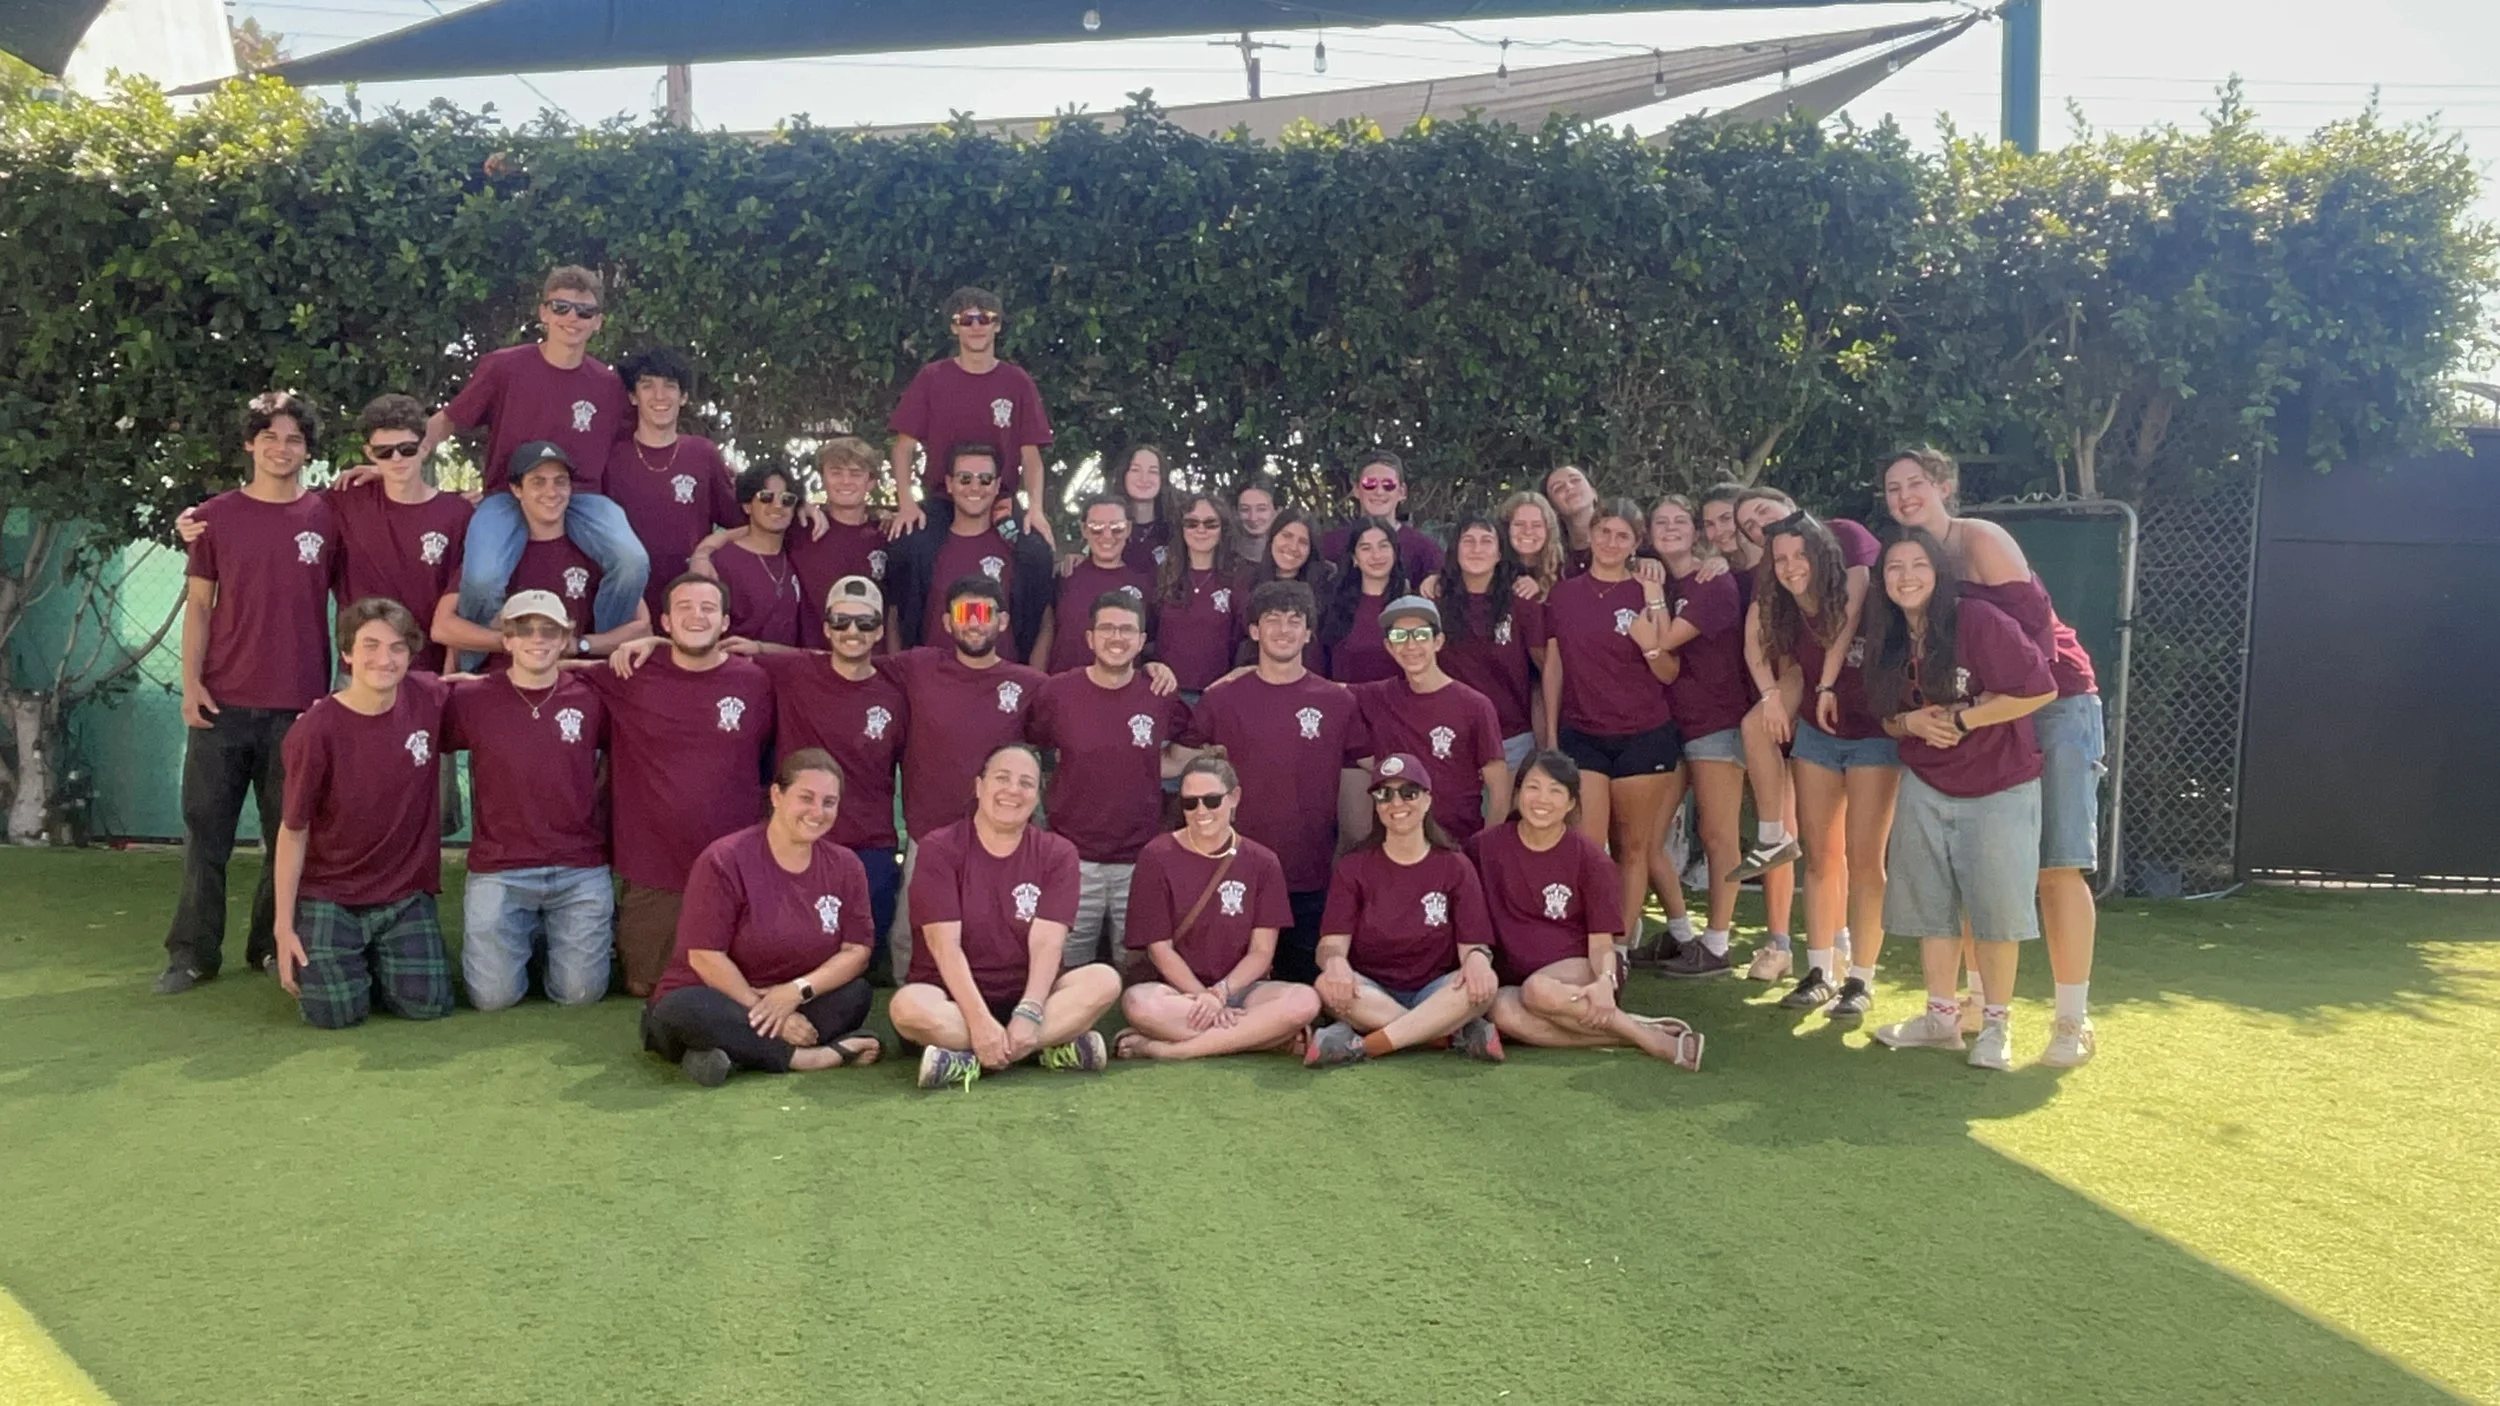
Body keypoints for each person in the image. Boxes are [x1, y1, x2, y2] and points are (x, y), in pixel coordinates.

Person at [1883, 446, 2105, 1067]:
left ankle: (2071, 1022)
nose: (1904, 496)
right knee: (1976, 864)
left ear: (1944, 485)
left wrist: (1978, 709)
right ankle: (1976, 1009)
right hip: (1982, 710)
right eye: (1893, 488)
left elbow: (2037, 645)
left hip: (2055, 701)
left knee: (2057, 865)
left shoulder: (1980, 541)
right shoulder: (1911, 561)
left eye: (1916, 483)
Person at [157, 392, 339, 996]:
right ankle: (191, 955)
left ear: (308, 450)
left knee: (286, 833)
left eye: (294, 439)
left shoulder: (327, 516)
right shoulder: (215, 517)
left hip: (300, 707)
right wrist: (191, 684)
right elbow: (199, 607)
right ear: (249, 444)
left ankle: (267, 944)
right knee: (205, 835)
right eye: (270, 438)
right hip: (222, 704)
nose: (281, 449)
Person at [1862, 529, 2056, 1071]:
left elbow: (2040, 688)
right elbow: (1884, 714)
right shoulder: (1886, 634)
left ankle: (1996, 1025)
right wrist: (1911, 723)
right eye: (1894, 567)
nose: (1906, 577)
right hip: (1927, 781)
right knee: (1932, 907)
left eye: (1918, 565)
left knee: (1996, 910)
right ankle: (1941, 1019)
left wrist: (1966, 718)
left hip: (2000, 781)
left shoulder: (1977, 619)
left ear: (1940, 572)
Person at [639, 748, 884, 1086]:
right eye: (806, 798)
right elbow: (705, 957)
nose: (817, 812)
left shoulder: (846, 866)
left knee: (855, 994)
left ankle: (726, 1054)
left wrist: (794, 992)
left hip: (795, 999)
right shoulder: (724, 860)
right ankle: (810, 1058)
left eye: (829, 802)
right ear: (776, 796)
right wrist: (768, 1011)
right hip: (719, 996)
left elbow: (856, 952)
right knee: (682, 1008)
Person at [430, 265, 650, 637]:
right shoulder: (504, 367)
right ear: (543, 312)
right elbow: (449, 420)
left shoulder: (608, 385)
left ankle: (603, 649)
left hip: (581, 496)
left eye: (585, 311)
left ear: (598, 322)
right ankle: (473, 662)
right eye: (561, 307)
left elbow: (638, 441)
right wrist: (401, 457)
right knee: (481, 580)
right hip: (508, 494)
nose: (572, 318)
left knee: (632, 561)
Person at [585, 573, 775, 996]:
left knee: (740, 978)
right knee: (645, 984)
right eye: (685, 607)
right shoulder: (630, 673)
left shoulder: (756, 682)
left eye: (708, 608)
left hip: (733, 867)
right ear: (666, 622)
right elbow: (550, 671)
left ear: (725, 622)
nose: (697, 616)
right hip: (653, 865)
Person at [891, 744, 1122, 1090]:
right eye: (1002, 778)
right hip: (953, 1000)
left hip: (1029, 999)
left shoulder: (1058, 853)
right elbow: (944, 946)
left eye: (1026, 783)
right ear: (979, 786)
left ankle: (966, 1059)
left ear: (1037, 795)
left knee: (1104, 980)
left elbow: (1048, 944)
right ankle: (1039, 1049)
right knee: (906, 1007)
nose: (1013, 790)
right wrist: (979, 1021)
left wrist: (1029, 1012)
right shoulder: (939, 848)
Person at [269, 598, 453, 1028]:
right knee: (333, 1014)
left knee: (427, 1006)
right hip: (331, 894)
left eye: (397, 647)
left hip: (404, 892)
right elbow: (293, 830)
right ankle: (345, 956)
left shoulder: (427, 695)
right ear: (347, 653)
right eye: (370, 646)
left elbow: (490, 684)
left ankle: (378, 960)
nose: (384, 660)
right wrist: (283, 926)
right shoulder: (314, 731)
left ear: (410, 655)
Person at [1177, 580, 1368, 982]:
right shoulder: (1222, 698)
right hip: (1234, 871)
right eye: (1272, 619)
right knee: (1228, 987)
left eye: (1295, 620)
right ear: (1254, 630)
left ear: (1309, 633)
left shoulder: (1336, 701)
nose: (1284, 629)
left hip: (1309, 874)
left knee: (1304, 991)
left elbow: (1365, 768)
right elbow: (1178, 760)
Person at [1751, 514, 1900, 1019]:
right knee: (1819, 857)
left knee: (1865, 860)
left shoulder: (1863, 596)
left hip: (1874, 736)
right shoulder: (1785, 610)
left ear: (1821, 555)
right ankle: (1819, 971)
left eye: (1801, 555)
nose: (1792, 567)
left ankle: (1861, 978)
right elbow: (1785, 663)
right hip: (1819, 737)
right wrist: (1773, 697)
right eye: (1781, 559)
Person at [1474, 751, 1703, 1068]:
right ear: (1517, 793)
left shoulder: (1590, 860)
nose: (1542, 799)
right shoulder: (1485, 847)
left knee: (1538, 990)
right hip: (1517, 979)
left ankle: (1652, 1041)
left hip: (1584, 973)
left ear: (1571, 803)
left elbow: (1601, 945)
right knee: (1501, 1010)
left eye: (1555, 791)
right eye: (1533, 787)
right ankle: (1630, 1032)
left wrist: (1605, 982)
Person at [443, 591, 614, 1010]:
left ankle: (544, 942)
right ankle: (533, 940)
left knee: (580, 995)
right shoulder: (472, 698)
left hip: (579, 868)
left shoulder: (593, 696)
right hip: (501, 869)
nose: (537, 639)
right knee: (492, 999)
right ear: (507, 640)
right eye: (524, 630)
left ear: (565, 639)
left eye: (549, 631)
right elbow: (410, 704)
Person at [1538, 498, 1683, 952]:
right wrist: (1551, 733)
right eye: (1604, 532)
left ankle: (1618, 946)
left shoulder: (1647, 590)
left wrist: (1649, 642)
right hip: (1583, 733)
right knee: (1587, 843)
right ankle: (1585, 938)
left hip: (1644, 733)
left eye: (1623, 536)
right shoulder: (1564, 594)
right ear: (1592, 533)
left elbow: (1668, 672)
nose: (1611, 542)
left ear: (1636, 543)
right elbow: (1554, 666)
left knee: (1633, 847)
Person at [746, 577, 909, 977]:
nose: (853, 631)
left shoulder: (897, 690)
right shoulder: (792, 671)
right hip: (798, 841)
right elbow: (703, 651)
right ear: (826, 627)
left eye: (865, 623)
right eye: (841, 621)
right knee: (785, 955)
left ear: (880, 632)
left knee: (861, 961)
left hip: (869, 845)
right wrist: (649, 642)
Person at [1113, 751, 1321, 1060]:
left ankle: (1170, 1050)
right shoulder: (1157, 855)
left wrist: (1221, 993)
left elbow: (1262, 952)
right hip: (1180, 993)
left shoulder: (1263, 861)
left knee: (1305, 1000)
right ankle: (1267, 1038)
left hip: (1244, 989)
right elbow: (1159, 949)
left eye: (1212, 801)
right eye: (1190, 803)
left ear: (1234, 798)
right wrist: (1204, 997)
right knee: (1138, 1003)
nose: (1201, 811)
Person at [1304, 754, 1502, 1067]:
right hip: (1371, 989)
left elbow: (1473, 946)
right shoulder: (1354, 866)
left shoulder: (1455, 865)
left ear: (1427, 799)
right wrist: (1335, 961)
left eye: (1409, 792)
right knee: (1326, 985)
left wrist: (1478, 959)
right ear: (1376, 805)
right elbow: (1330, 944)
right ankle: (1447, 1034)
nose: (1396, 803)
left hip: (1436, 987)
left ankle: (1365, 1045)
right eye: (1384, 794)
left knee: (1484, 984)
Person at [1028, 592, 1190, 965]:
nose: (1117, 637)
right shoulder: (1058, 692)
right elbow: (1035, 747)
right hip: (1072, 855)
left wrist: (1151, 764)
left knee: (1135, 963)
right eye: (1107, 628)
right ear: (1090, 638)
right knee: (1068, 963)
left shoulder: (1159, 693)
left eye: (1127, 630)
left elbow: (1192, 741)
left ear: (1141, 640)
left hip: (1138, 856)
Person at [1648, 495, 1754, 980]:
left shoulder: (1713, 581)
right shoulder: (1657, 579)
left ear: (1695, 532)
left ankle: (1717, 943)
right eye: (1660, 522)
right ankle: (1681, 933)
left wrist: (1651, 600)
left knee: (1717, 835)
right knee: (1647, 840)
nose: (1671, 529)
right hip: (1668, 727)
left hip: (1716, 721)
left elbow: (1663, 643)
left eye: (1680, 521)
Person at [431, 443, 651, 669]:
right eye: (538, 482)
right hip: (501, 681)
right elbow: (443, 628)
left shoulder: (598, 549)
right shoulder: (494, 553)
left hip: (579, 680)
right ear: (517, 489)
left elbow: (642, 628)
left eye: (560, 481)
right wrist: (517, 642)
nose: (551, 492)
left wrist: (581, 645)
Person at [885, 286, 1053, 541]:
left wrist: (1036, 509)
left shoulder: (1017, 381)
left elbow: (1030, 455)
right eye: (966, 320)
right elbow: (903, 447)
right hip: (943, 501)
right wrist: (906, 504)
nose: (976, 327)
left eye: (984, 319)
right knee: (908, 548)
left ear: (997, 325)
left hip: (1000, 502)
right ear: (955, 327)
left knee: (1035, 553)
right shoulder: (932, 377)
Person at [1350, 596, 1509, 846]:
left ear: (1438, 641)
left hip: (1458, 844)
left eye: (1421, 634)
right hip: (1397, 843)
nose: (1411, 645)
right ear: (1389, 646)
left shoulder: (1475, 705)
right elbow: (1323, 692)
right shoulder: (1377, 696)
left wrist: (1484, 849)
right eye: (1399, 637)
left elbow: (1499, 789)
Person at [601, 346, 740, 620]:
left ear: (684, 396)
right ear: (633, 396)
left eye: (670, 386)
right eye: (647, 386)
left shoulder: (703, 454)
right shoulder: (611, 457)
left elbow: (744, 521)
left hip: (688, 609)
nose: (660, 396)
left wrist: (705, 551)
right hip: (628, 607)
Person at [886, 445, 1056, 663]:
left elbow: (1044, 621)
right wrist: (899, 673)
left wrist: (1034, 678)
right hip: (933, 676)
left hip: (1005, 678)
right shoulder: (919, 548)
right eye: (965, 479)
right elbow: (895, 616)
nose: (975, 487)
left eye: (985, 479)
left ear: (997, 485)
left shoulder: (1023, 549)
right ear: (949, 484)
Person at [1434, 513, 1550, 772]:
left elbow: (1546, 670)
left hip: (1512, 739)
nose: (1477, 549)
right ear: (1455, 550)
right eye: (1468, 541)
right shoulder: (1434, 604)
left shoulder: (1522, 604)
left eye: (1486, 541)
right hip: (1448, 737)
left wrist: (1547, 739)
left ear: (1499, 553)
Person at [783, 437, 893, 649]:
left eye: (855, 473)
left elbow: (894, 610)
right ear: (823, 478)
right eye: (836, 473)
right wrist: (713, 545)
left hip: (869, 661)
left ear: (871, 482)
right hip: (811, 659)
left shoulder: (886, 534)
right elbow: (753, 531)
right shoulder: (800, 527)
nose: (845, 481)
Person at [1046, 495, 1155, 673]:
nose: (1107, 536)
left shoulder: (1145, 584)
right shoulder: (1065, 575)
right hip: (1063, 683)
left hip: (1121, 685)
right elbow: (1046, 631)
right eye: (1096, 527)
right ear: (1084, 529)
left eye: (1117, 528)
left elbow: (1151, 643)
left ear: (1128, 529)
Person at [1151, 491, 1246, 696]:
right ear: (1181, 528)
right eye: (1191, 523)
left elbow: (1246, 639)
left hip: (1218, 695)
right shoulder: (1161, 576)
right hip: (1165, 693)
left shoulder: (1239, 579)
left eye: (1210, 524)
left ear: (1223, 529)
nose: (1200, 530)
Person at [703, 463, 807, 648]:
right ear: (747, 506)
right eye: (766, 497)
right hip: (736, 663)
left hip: (789, 664)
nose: (777, 505)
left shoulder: (797, 555)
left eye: (787, 499)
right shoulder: (722, 562)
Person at [1319, 450, 1443, 577]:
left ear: (1402, 492)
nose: (1379, 492)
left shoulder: (1425, 551)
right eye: (1370, 484)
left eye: (1388, 485)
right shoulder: (1330, 545)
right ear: (1356, 490)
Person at [1319, 518, 1408, 685]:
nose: (1376, 555)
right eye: (1366, 548)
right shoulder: (1333, 606)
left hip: (1398, 699)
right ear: (1354, 557)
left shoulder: (1411, 606)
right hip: (1345, 698)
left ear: (1395, 552)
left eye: (1383, 546)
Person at [1243, 505, 1330, 672]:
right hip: (1254, 676)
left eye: (1303, 542)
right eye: (1286, 536)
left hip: (1311, 678)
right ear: (1273, 537)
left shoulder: (1326, 588)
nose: (1293, 547)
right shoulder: (1247, 583)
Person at [1111, 444, 1183, 570]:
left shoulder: (1179, 528)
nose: (1144, 479)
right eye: (1135, 470)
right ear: (1123, 475)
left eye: (1153, 471)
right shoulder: (1108, 527)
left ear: (1162, 478)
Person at [1495, 490, 1566, 595]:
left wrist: (1540, 589)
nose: (1528, 531)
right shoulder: (1493, 567)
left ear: (1548, 530)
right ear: (1507, 528)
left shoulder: (1564, 570)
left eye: (1537, 525)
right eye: (1519, 524)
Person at [1232, 479, 1279, 567]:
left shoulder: (1290, 552)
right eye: (1245, 509)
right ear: (1236, 513)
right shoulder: (1222, 554)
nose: (1253, 518)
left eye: (1261, 509)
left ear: (1277, 511)